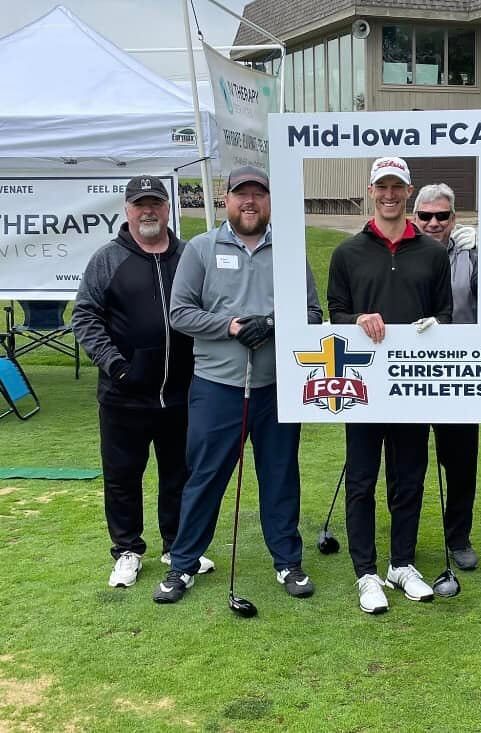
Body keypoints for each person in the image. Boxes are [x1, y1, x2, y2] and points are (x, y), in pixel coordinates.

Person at [153, 165, 323, 604]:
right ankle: (183, 565)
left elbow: (312, 314)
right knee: (205, 478)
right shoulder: (202, 249)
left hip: (276, 387)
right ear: (226, 200)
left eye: (258, 194)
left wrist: (273, 324)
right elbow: (180, 313)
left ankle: (288, 560)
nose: (250, 202)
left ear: (269, 201)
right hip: (217, 388)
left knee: (281, 477)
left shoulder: (289, 250)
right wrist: (229, 326)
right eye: (241, 194)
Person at [73, 175, 214, 588]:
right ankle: (128, 551)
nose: (148, 211)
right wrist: (116, 365)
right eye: (140, 204)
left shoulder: (190, 255)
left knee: (179, 474)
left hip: (182, 393)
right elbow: (85, 316)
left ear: (168, 208)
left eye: (155, 203)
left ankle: (176, 545)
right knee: (122, 476)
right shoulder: (107, 259)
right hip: (124, 394)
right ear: (127, 210)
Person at [327, 157, 453, 614]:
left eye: (397, 187)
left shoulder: (434, 254)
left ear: (408, 191)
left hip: (412, 385)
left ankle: (402, 564)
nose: (389, 195)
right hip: (361, 386)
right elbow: (334, 312)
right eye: (382, 186)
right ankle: (367, 572)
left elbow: (448, 314)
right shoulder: (348, 253)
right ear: (371, 190)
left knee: (409, 478)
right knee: (361, 481)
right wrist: (356, 319)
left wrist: (433, 326)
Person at [412, 183, 480, 570]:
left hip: (458, 369)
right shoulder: (402, 248)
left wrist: (480, 251)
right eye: (426, 215)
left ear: (454, 218)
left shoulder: (470, 253)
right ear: (415, 217)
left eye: (443, 215)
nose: (434, 222)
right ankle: (406, 538)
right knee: (409, 461)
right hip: (408, 370)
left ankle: (458, 538)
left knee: (460, 461)